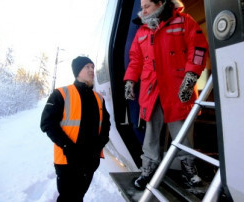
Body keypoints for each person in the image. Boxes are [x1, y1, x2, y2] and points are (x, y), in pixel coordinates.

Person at [124, 0, 209, 190]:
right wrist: (130, 80)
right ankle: (148, 169)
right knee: (151, 133)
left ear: (160, 3)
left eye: (147, 6)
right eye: (142, 6)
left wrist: (191, 76)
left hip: (178, 88)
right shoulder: (142, 31)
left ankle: (188, 171)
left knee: (182, 133)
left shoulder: (184, 21)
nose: (142, 10)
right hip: (151, 90)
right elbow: (135, 59)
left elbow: (198, 49)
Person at [40, 56, 110, 202]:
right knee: (67, 198)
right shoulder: (61, 94)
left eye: (93, 67)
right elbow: (47, 123)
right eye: (87, 67)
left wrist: (99, 145)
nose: (92, 70)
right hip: (67, 161)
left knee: (78, 197)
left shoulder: (99, 98)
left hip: (90, 161)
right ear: (78, 71)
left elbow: (106, 125)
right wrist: (67, 146)